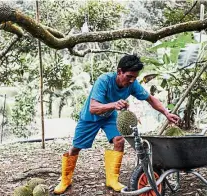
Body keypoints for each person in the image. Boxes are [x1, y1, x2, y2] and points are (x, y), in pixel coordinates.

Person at [53, 54, 180, 194]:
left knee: (119, 140)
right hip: (90, 117)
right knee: (76, 148)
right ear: (119, 71)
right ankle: (65, 179)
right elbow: (93, 108)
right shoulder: (104, 80)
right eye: (129, 76)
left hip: (109, 116)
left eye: (135, 77)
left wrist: (166, 113)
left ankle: (112, 180)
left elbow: (150, 99)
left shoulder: (132, 85)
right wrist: (114, 104)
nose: (132, 80)